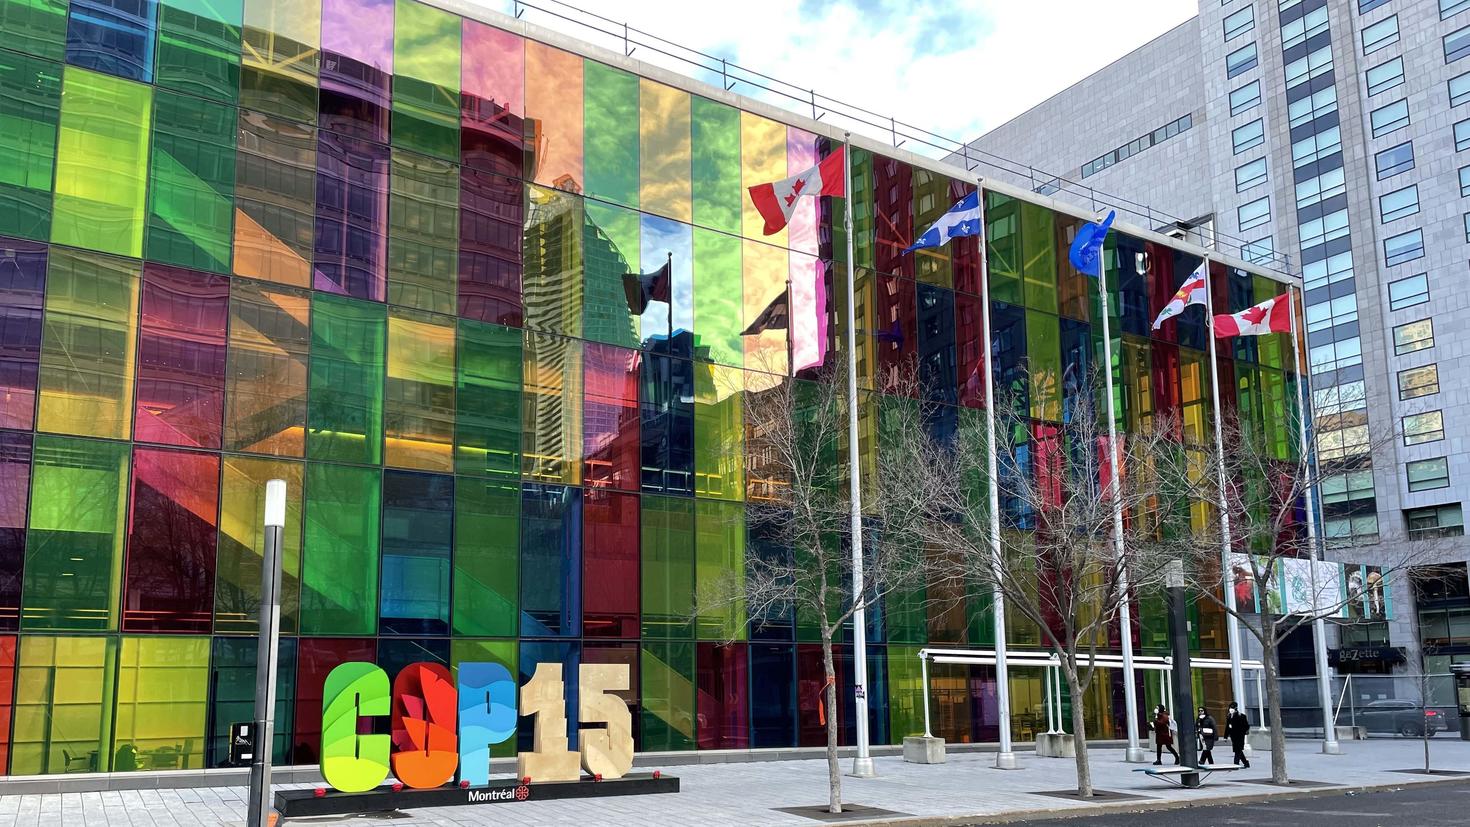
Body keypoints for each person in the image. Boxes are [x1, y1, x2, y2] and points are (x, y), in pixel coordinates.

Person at [1225, 701, 1251, 768]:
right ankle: (1246, 762)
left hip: (1240, 736)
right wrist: (1226, 736)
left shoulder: (1241, 716)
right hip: (1233, 736)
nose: (1230, 709)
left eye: (1232, 708)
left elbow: (1246, 726)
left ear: (1236, 708)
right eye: (1230, 708)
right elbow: (1227, 727)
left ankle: (1236, 763)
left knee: (1238, 750)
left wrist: (1242, 731)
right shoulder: (1229, 716)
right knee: (1238, 750)